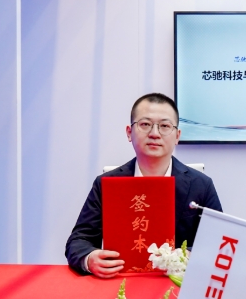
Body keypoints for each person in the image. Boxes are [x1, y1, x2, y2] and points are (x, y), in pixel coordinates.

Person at [65, 93, 222, 277]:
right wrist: (89, 258)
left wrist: (188, 256)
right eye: (145, 124)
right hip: (120, 283)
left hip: (177, 284)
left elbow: (219, 242)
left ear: (177, 136)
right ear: (129, 132)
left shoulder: (201, 185)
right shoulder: (106, 184)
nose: (154, 133)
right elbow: (78, 240)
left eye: (164, 126)